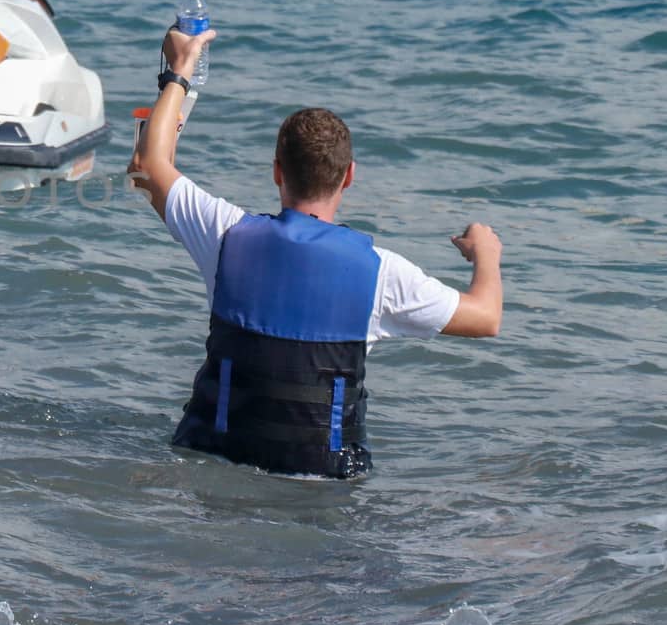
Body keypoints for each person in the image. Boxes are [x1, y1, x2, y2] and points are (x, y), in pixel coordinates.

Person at [129, 25, 503, 479]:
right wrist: (486, 252)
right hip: (321, 481)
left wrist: (180, 71)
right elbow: (486, 318)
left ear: (276, 172)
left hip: (216, 455)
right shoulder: (380, 273)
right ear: (348, 177)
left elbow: (149, 166)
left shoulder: (225, 236)